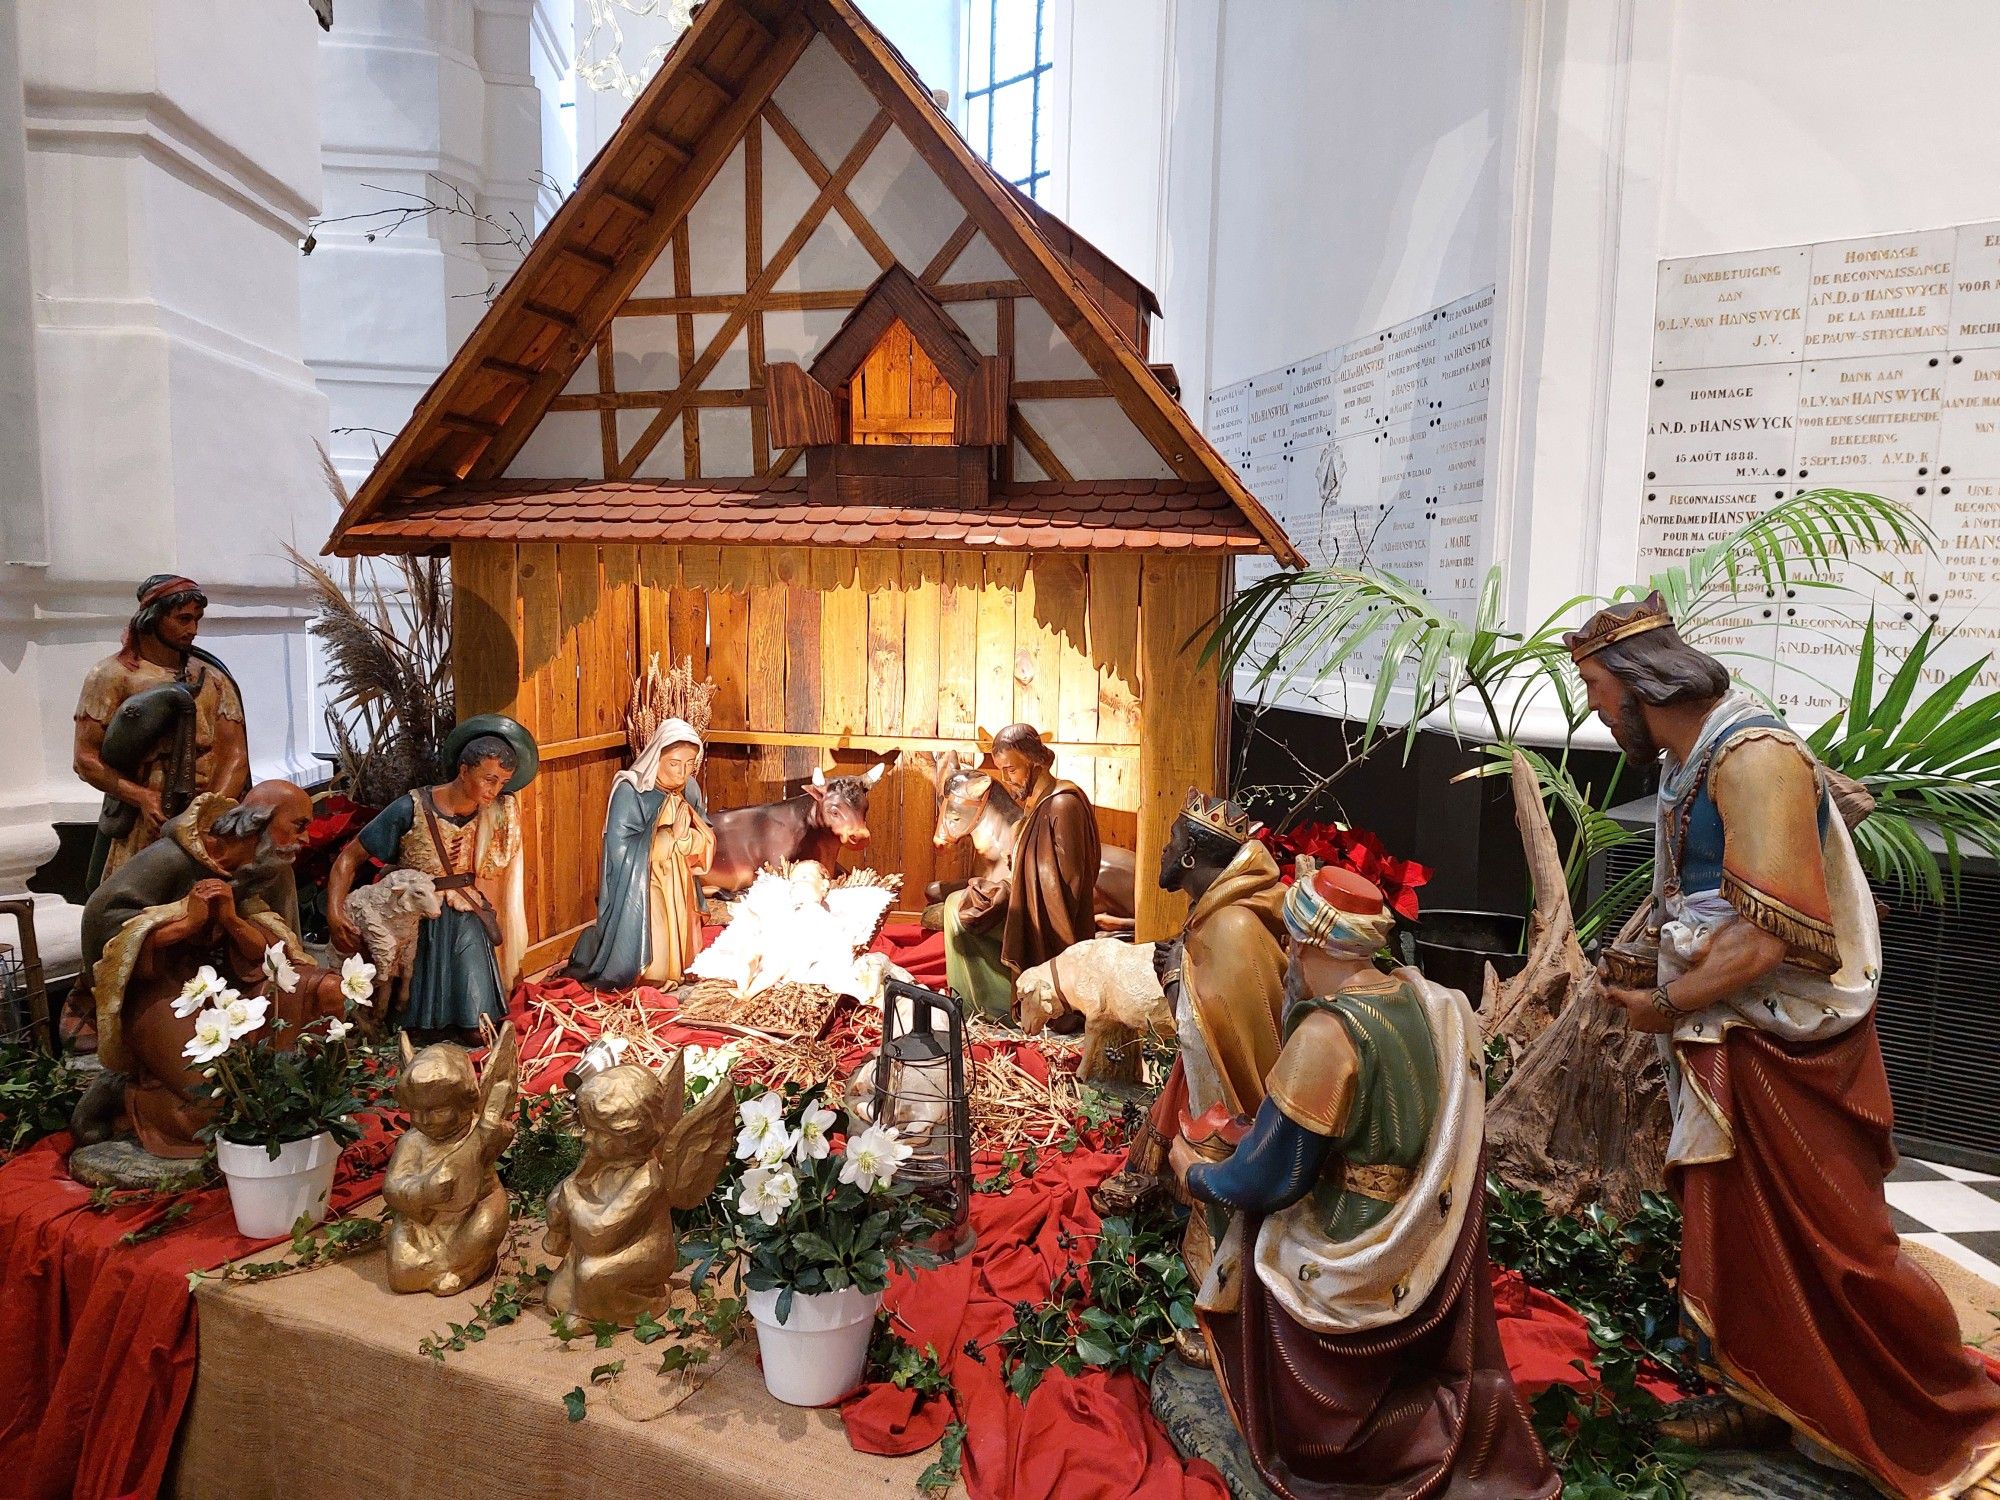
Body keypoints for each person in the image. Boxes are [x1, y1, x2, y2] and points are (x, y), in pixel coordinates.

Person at [1571, 593, 2000, 1499]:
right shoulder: (1700, 757)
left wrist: (1663, 1001)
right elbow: (1709, 895)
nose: (1597, 711)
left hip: (1790, 1047)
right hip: (1735, 1034)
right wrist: (1652, 951)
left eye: (1599, 688)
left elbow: (1774, 936)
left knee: (1841, 1249)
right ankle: (1763, 1392)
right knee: (1739, 1236)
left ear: (1646, 684)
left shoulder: (1753, 757)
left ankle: (1939, 1407)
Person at [1170, 865, 1558, 1499]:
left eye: (1293, 943)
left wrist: (1201, 1173)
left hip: (1352, 1242)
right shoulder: (1432, 1004)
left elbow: (1273, 1179)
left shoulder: (1325, 1036)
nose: (1288, 958)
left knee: (1255, 1242)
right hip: (1420, 1227)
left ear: (1315, 945)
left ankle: (1326, 1426)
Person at [67, 782, 337, 1159]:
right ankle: (128, 1099)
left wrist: (231, 922)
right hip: (161, 994)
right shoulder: (172, 859)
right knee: (218, 1102)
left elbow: (280, 948)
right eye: (298, 825)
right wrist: (184, 925)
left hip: (238, 983)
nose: (305, 838)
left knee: (328, 993)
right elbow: (101, 922)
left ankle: (297, 1096)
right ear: (259, 823)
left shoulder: (273, 869)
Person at [1096, 791, 1287, 1262]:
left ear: (1190, 856)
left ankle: (1219, 1275)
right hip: (1210, 1103)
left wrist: (1175, 976)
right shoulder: (1213, 913)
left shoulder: (1230, 929)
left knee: (1221, 1241)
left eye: (1172, 840)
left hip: (1234, 1119)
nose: (1162, 851)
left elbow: (1211, 1033)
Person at [64, 575, 250, 1051]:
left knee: (210, 908)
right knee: (131, 913)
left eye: (197, 619)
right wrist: (141, 797)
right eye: (182, 618)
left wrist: (211, 816)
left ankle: (204, 1004)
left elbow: (234, 756)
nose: (192, 629)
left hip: (203, 818)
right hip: (143, 819)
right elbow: (87, 759)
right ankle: (119, 1010)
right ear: (153, 617)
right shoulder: (112, 677)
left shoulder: (213, 678)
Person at [328, 716, 535, 1043]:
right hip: (414, 919)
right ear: (464, 770)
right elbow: (348, 858)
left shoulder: (494, 811)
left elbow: (499, 862)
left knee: (476, 1028)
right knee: (415, 1024)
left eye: (502, 782)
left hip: (465, 912)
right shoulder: (410, 808)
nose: (494, 790)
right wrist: (335, 911)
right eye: (489, 779)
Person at [942, 723, 1099, 1020]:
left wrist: (1009, 889)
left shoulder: (1063, 804)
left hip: (1051, 926)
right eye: (1001, 770)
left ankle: (996, 1005)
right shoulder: (1036, 804)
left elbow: (1068, 886)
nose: (1006, 779)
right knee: (958, 905)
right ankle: (977, 1003)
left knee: (957, 911)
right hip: (1030, 904)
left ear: (1035, 761)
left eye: (1012, 770)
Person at [563, 718, 715, 991]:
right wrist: (669, 836)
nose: (682, 773)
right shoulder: (630, 790)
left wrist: (687, 839)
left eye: (690, 764)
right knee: (656, 927)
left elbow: (705, 834)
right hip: (642, 882)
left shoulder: (689, 789)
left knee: (680, 928)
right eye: (674, 763)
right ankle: (652, 975)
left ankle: (678, 969)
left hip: (679, 879)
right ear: (657, 756)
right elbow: (620, 850)